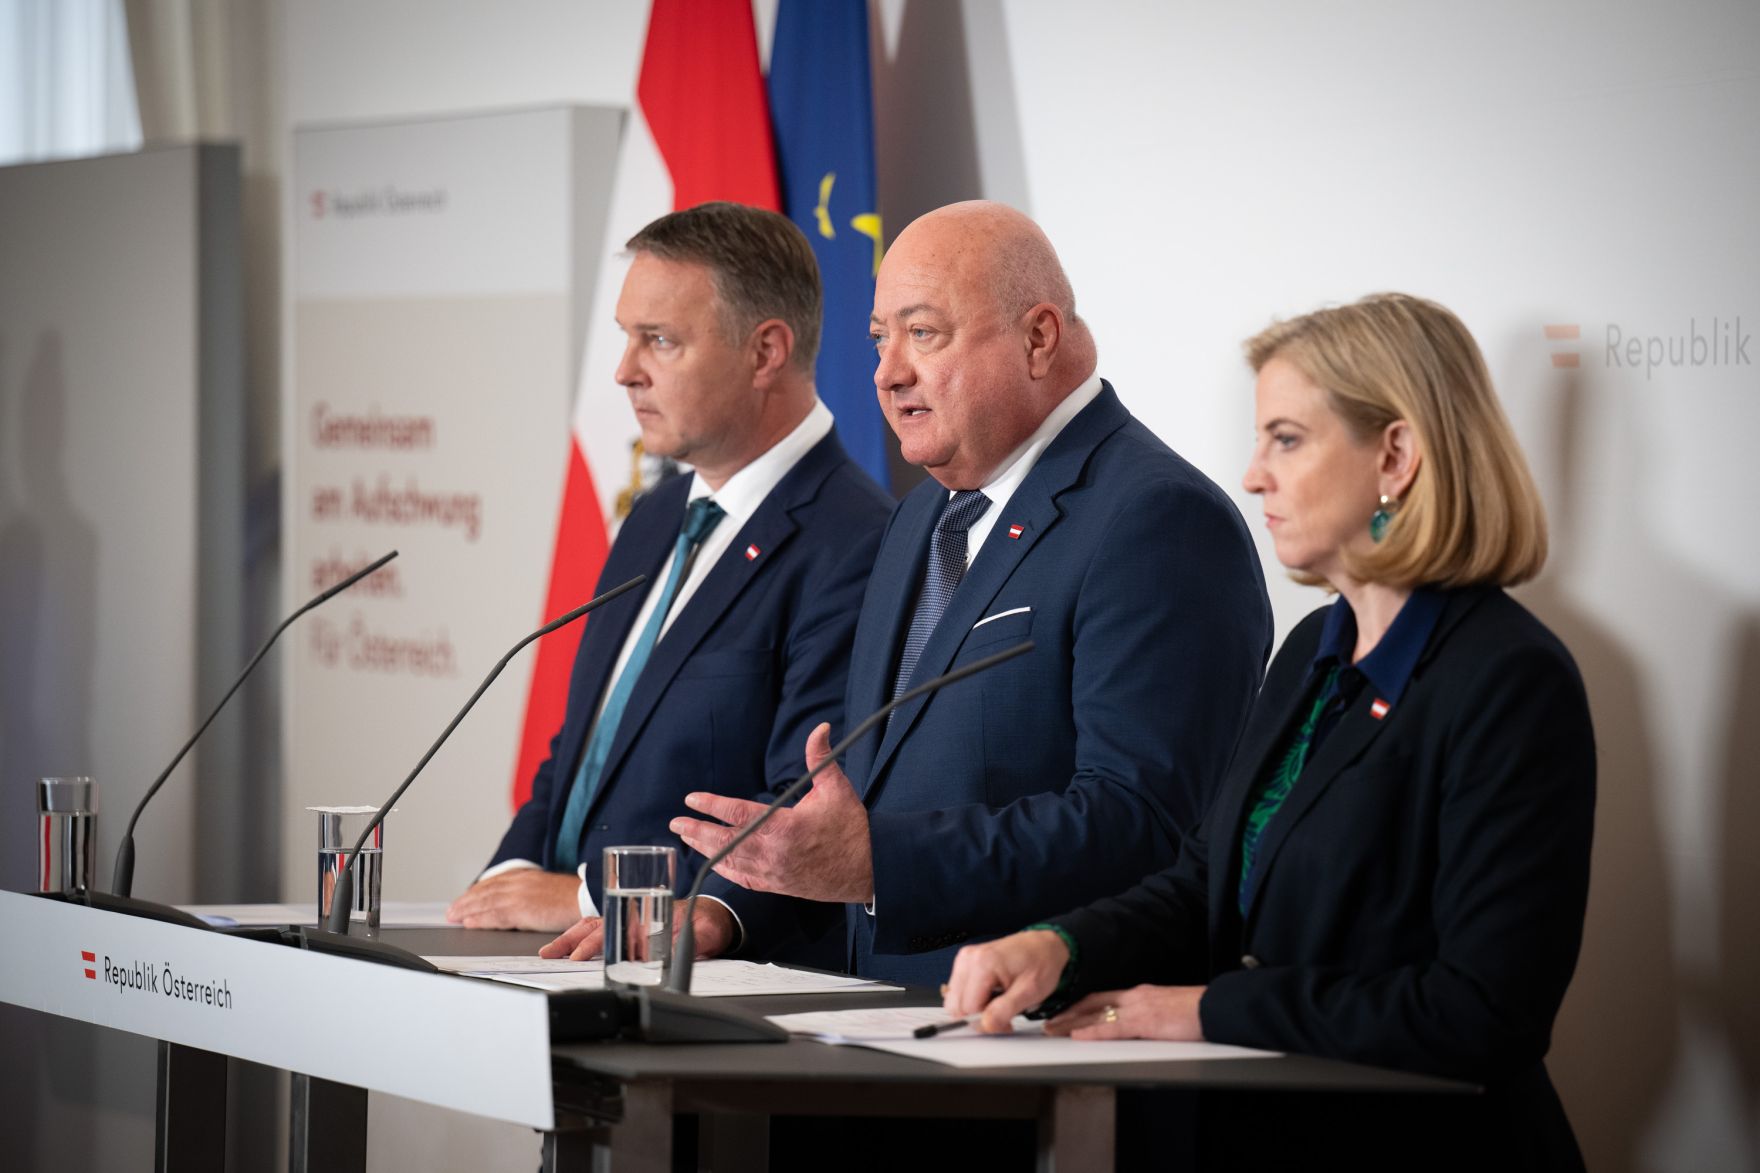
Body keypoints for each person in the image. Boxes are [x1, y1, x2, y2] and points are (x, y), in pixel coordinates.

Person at [943, 293, 1595, 1170]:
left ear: (1395, 454)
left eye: (1286, 439)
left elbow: (1480, 1011)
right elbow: (1206, 882)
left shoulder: (1508, 679)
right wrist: (1058, 945)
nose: (1253, 475)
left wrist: (1204, 1010)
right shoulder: (1309, 655)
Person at [633, 201, 1272, 985]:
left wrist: (880, 863)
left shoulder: (1156, 519)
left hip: (1037, 1043)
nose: (887, 371)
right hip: (887, 1030)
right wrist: (728, 905)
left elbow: (1142, 826)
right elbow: (866, 787)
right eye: (878, 339)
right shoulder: (919, 519)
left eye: (923, 333)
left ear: (1039, 338)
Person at [446, 202, 891, 946]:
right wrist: (505, 881)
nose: (625, 372)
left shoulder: (856, 542)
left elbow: (798, 804)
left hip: (690, 973)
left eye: (659, 341)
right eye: (626, 336)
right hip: (554, 954)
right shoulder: (654, 515)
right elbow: (585, 748)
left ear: (765, 352)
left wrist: (592, 897)